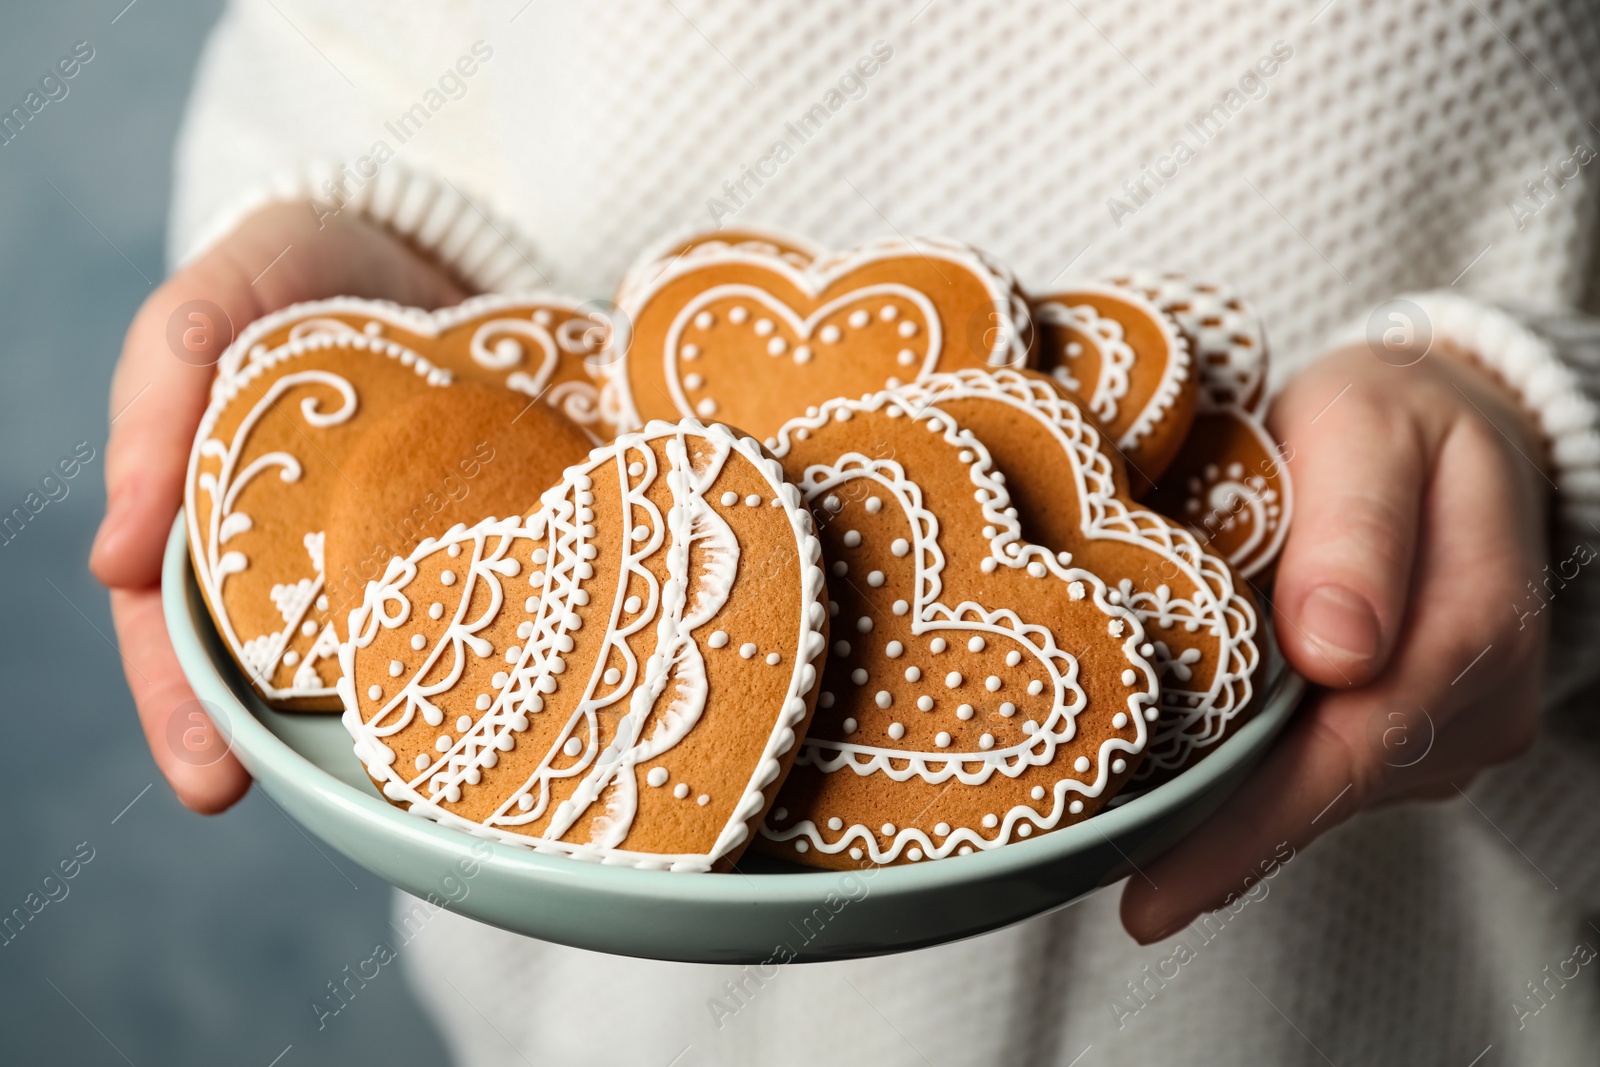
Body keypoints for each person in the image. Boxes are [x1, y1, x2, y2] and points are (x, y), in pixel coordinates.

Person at [92, 1, 1600, 1062]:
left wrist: (1545, 454)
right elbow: (358, 52)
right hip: (594, 995)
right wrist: (373, 281)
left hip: (1401, 1001)